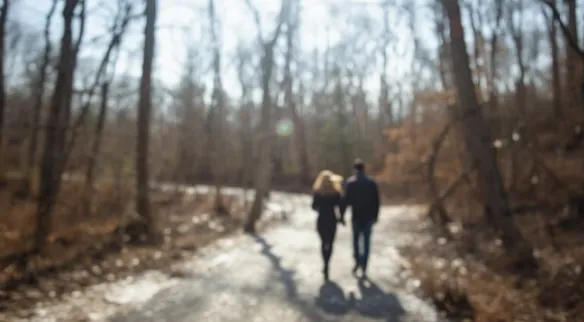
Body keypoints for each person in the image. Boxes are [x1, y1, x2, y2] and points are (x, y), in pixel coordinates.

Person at [341, 159, 380, 278]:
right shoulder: (371, 183)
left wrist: (342, 216)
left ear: (355, 170)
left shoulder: (351, 183)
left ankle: (357, 260)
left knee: (356, 241)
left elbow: (345, 200)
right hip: (368, 217)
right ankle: (364, 266)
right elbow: (376, 201)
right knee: (366, 243)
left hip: (356, 216)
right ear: (364, 169)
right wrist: (375, 216)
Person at [311, 170, 346, 281]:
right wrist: (341, 218)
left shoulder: (318, 192)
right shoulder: (335, 193)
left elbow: (313, 206)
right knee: (330, 243)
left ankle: (324, 261)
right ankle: (327, 263)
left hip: (321, 220)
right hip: (332, 220)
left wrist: (320, 208)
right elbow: (341, 206)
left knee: (323, 242)